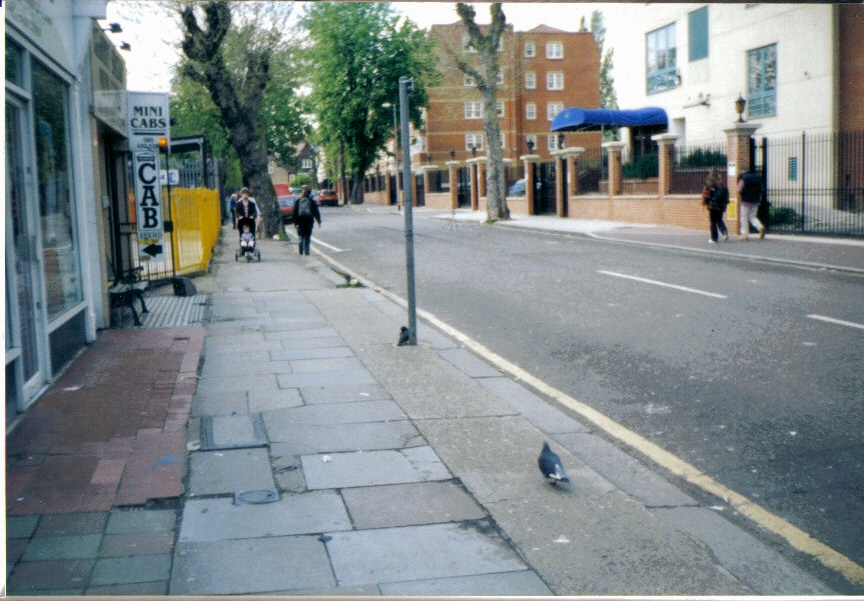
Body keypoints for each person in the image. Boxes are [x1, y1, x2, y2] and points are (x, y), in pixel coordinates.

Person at [737, 169, 766, 240]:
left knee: (743, 218)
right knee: (752, 217)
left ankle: (744, 235)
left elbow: (738, 190)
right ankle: (760, 227)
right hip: (756, 200)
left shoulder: (743, 178)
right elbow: (762, 189)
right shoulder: (758, 178)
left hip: (745, 201)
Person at [702, 169, 729, 244]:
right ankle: (724, 232)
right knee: (719, 219)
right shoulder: (723, 186)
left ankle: (714, 238)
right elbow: (726, 197)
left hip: (713, 206)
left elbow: (706, 195)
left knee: (713, 222)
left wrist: (706, 202)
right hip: (721, 206)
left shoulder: (710, 186)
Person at [292, 185, 321, 256]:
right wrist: (319, 221)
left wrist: (294, 222)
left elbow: (294, 211)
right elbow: (316, 212)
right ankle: (306, 250)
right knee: (308, 235)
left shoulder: (298, 201)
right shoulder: (312, 201)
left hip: (300, 220)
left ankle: (301, 242)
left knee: (301, 234)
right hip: (309, 220)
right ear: (310, 193)